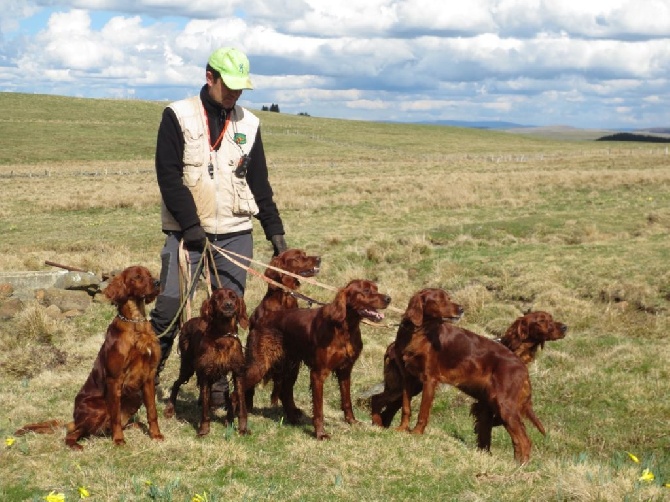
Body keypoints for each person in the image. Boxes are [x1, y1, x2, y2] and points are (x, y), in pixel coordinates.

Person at [150, 47, 288, 406]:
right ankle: (142, 385)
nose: (235, 93)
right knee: (169, 308)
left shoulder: (250, 123)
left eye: (241, 87)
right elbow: (168, 176)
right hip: (186, 235)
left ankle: (218, 395)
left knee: (229, 315)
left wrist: (276, 232)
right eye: (229, 85)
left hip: (236, 232)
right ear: (210, 77)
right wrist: (191, 225)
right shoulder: (177, 116)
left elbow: (259, 181)